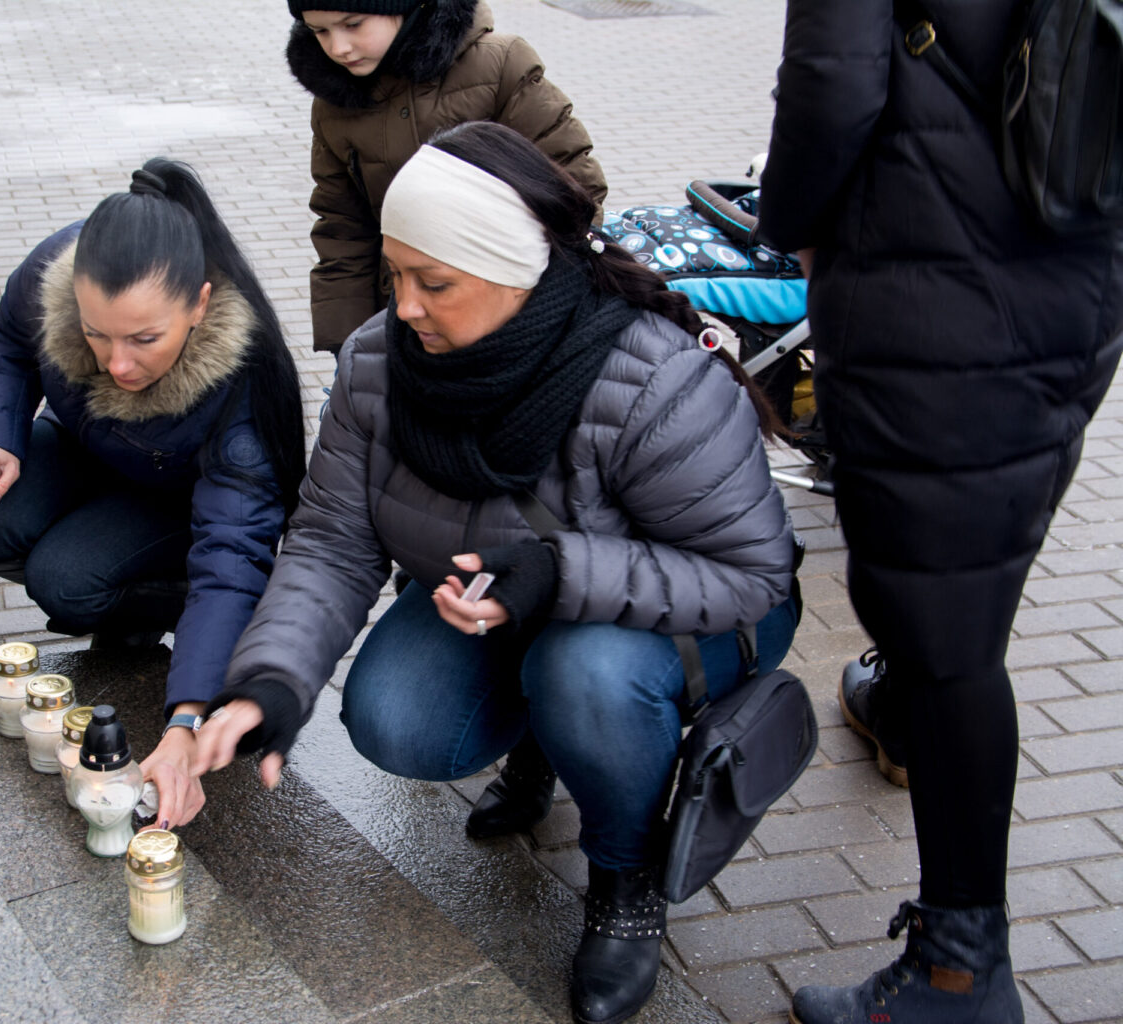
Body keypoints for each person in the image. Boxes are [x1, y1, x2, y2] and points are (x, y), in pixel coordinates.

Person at [194, 121, 801, 1024]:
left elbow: (748, 574)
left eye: (431, 282)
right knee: (396, 719)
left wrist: (557, 572)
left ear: (515, 270)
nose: (402, 307)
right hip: (502, 602)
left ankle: (625, 874)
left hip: (690, 611)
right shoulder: (377, 365)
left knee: (580, 670)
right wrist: (270, 684)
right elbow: (329, 541)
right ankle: (543, 741)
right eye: (395, 274)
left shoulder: (650, 378)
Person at [758, 2, 1123, 1022]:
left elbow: (831, 87)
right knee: (962, 565)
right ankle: (913, 706)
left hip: (933, 277)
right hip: (1072, 261)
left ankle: (961, 969)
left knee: (948, 621)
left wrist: (784, 226)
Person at [0, 158, 306, 832]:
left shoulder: (242, 397)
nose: (116, 363)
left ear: (199, 305)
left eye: (145, 340)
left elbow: (229, 564)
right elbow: (9, 349)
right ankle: (101, 555)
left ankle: (147, 602)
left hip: (180, 506)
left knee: (67, 580)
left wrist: (186, 719)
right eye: (95, 334)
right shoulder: (58, 267)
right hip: (89, 452)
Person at [286, 0, 607, 354]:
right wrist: (349, 344)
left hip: (512, 317)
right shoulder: (333, 105)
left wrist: (532, 304)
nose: (338, 47)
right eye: (320, 31)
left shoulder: (498, 65)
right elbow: (342, 227)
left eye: (353, 24)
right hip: (407, 323)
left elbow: (572, 183)